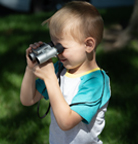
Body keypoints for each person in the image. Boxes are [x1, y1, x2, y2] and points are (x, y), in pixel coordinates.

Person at [20, 1, 111, 144]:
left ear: (88, 45)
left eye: (62, 47)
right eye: (54, 45)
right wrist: (30, 69)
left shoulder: (96, 81)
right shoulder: (60, 70)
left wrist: (50, 79)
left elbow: (66, 122)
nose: (57, 53)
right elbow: (27, 100)